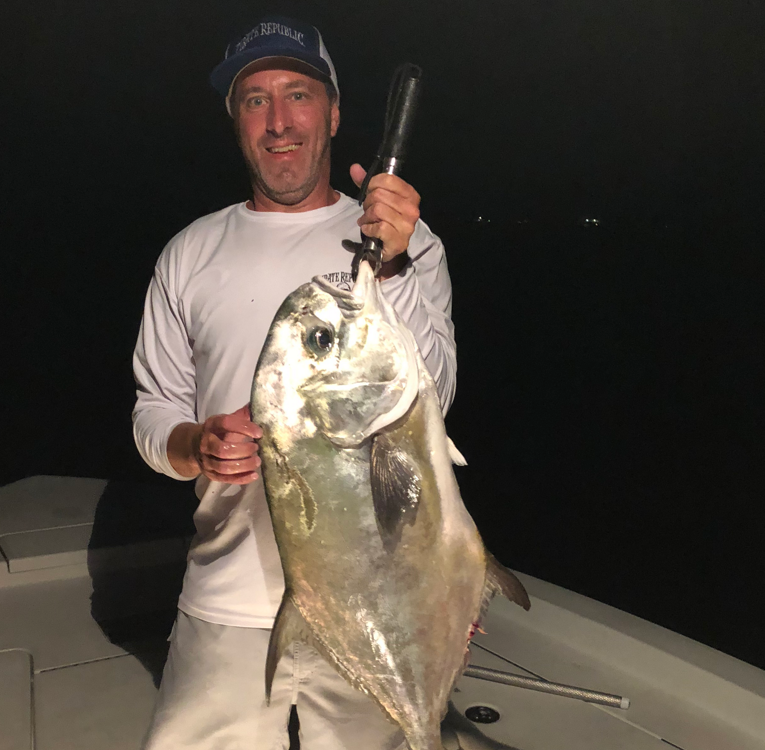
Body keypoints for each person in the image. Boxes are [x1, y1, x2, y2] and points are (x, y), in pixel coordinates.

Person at [132, 15, 456, 750]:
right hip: (227, 598)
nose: (279, 122)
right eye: (255, 100)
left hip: (376, 596)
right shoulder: (189, 253)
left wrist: (398, 268)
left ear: (335, 113)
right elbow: (152, 412)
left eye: (299, 95)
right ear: (236, 121)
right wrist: (195, 444)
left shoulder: (403, 242)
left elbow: (434, 395)